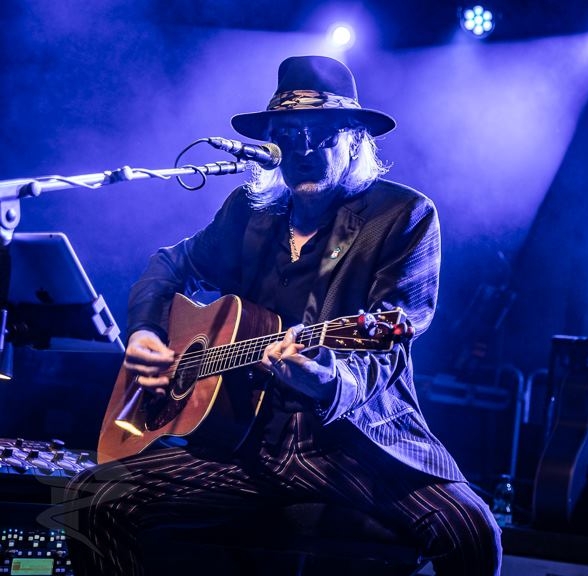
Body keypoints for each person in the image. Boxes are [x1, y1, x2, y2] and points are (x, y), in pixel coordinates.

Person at [63, 55, 502, 575]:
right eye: (288, 134)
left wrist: (327, 381)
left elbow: (388, 341)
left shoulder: (401, 216)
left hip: (352, 442)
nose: (304, 149)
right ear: (270, 145)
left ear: (356, 140)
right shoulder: (249, 212)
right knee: (92, 498)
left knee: (472, 532)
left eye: (323, 133)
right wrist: (145, 332)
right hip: (245, 445)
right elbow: (169, 266)